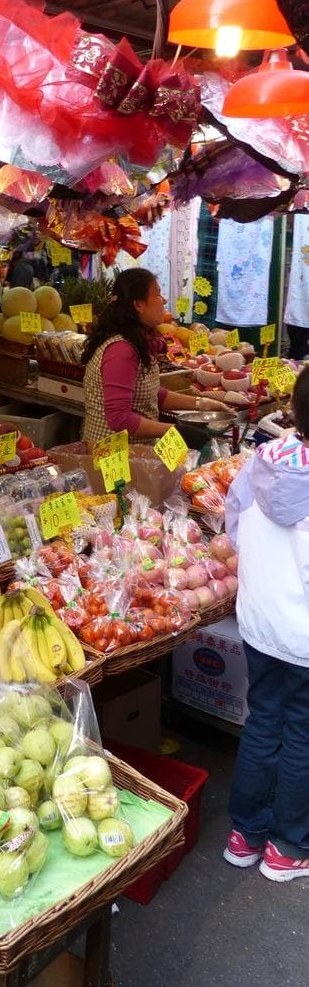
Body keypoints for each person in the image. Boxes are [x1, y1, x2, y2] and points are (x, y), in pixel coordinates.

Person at [223, 365, 309, 881]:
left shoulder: (261, 461)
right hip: (303, 636)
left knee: (263, 721)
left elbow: (234, 529)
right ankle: (288, 848)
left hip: (259, 621)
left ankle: (245, 834)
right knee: (300, 732)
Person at [81, 268, 231, 445]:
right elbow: (119, 419)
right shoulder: (121, 350)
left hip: (136, 453)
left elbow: (149, 393)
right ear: (139, 305)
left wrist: (202, 404)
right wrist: (176, 431)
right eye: (158, 294)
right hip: (113, 458)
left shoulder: (136, 340)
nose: (164, 300)